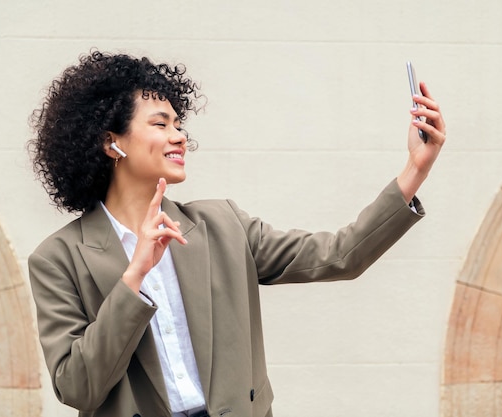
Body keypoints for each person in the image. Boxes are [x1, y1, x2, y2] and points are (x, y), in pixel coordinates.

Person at [27, 50, 446, 417]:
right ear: (110, 142)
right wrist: (134, 277)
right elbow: (77, 387)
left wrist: (416, 169)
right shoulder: (58, 258)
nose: (178, 136)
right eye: (160, 124)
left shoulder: (222, 225)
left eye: (178, 123)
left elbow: (339, 255)